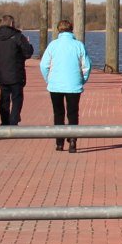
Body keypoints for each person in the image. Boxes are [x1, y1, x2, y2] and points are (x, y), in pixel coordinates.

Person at [40, 18, 91, 153]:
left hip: (55, 85)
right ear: (72, 29)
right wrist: (82, 79)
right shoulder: (78, 45)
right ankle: (73, 140)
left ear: (58, 30)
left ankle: (59, 142)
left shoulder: (53, 45)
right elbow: (86, 66)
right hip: (74, 84)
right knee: (73, 113)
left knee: (58, 113)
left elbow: (43, 65)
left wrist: (48, 79)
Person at [0, 15, 35, 125]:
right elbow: (28, 53)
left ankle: (5, 121)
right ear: (11, 24)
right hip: (16, 73)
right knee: (17, 99)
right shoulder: (18, 36)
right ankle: (14, 121)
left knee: (4, 99)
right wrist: (29, 46)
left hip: (2, 73)